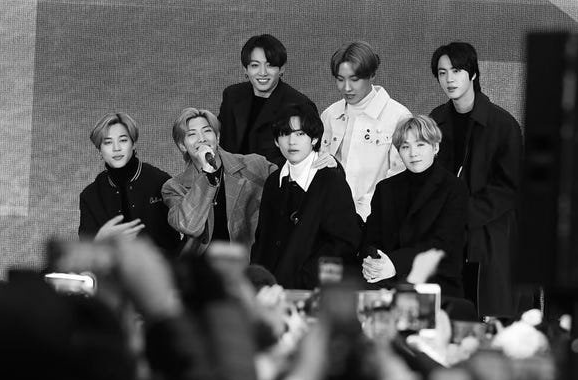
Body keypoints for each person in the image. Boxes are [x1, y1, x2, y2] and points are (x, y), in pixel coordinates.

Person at [428, 41, 523, 318]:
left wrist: (464, 214)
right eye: (442, 73)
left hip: (489, 235)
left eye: (456, 71)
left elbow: (509, 187)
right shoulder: (436, 120)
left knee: (487, 311)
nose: (449, 79)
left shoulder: (503, 124)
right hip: (447, 236)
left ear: (473, 73)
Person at [163, 108, 336, 257]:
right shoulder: (174, 187)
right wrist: (207, 175)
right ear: (182, 145)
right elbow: (189, 226)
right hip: (202, 269)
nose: (202, 139)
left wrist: (327, 166)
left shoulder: (254, 165)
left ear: (217, 137)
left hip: (249, 262)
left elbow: (294, 187)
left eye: (207, 131)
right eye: (192, 134)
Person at [251, 104, 362, 289]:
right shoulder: (274, 181)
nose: (291, 142)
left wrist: (309, 281)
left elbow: (345, 244)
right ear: (276, 141)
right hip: (272, 290)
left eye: (300, 134)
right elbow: (262, 240)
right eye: (285, 134)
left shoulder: (330, 180)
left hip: (314, 290)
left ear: (314, 139)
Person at [362, 115, 468, 300]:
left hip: (436, 283)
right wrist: (372, 262)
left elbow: (443, 245)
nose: (413, 153)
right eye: (405, 147)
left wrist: (395, 264)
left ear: (435, 147)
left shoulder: (454, 188)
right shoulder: (385, 189)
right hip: (387, 282)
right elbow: (370, 238)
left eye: (420, 145)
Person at [320, 41, 411, 221]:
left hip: (378, 217)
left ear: (372, 75)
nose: (346, 88)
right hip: (331, 215)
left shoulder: (398, 116)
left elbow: (400, 177)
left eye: (354, 79)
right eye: (340, 79)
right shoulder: (330, 114)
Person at [79, 112, 180, 256]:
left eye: (123, 140)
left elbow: (184, 235)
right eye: (108, 142)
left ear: (133, 144)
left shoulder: (161, 182)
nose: (116, 148)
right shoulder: (90, 196)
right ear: (99, 150)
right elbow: (84, 257)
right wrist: (101, 239)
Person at [218, 34, 317, 166]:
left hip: (276, 177)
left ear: (281, 69)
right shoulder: (232, 96)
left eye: (270, 65)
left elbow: (309, 157)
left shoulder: (299, 104)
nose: (263, 73)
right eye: (255, 65)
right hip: (231, 175)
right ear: (245, 69)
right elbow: (222, 142)